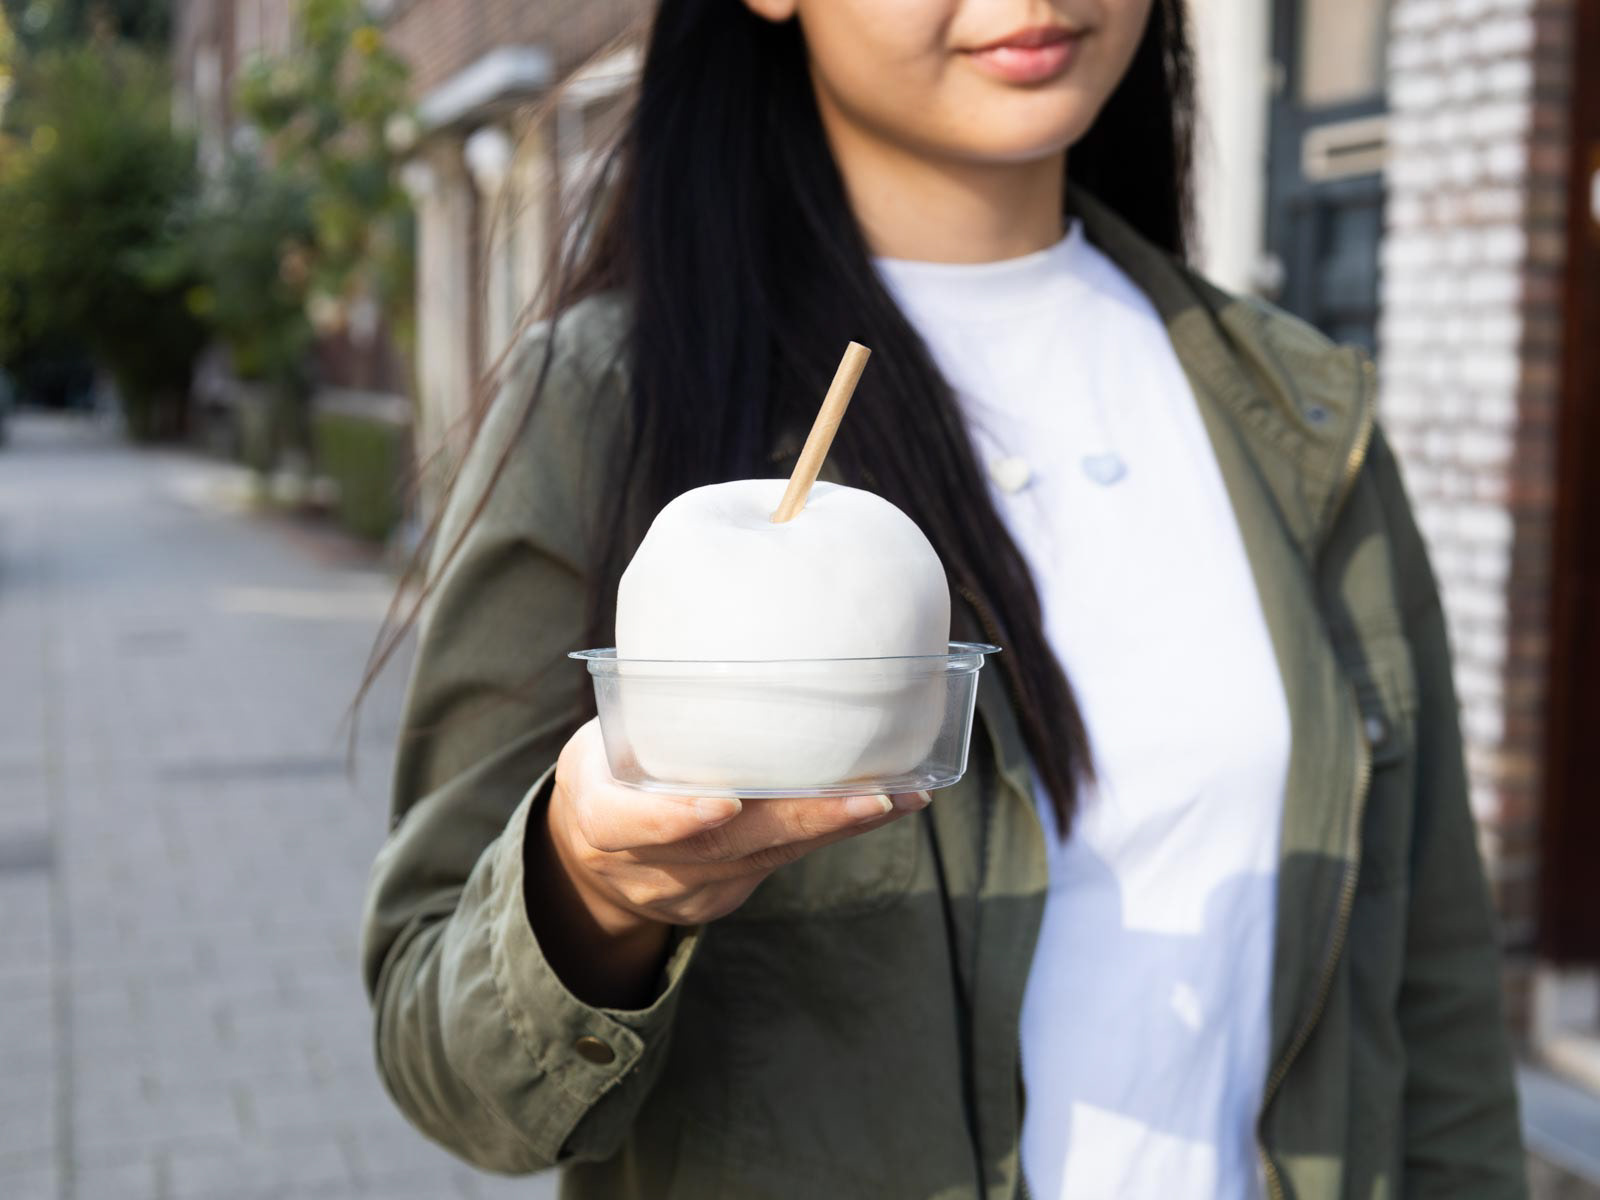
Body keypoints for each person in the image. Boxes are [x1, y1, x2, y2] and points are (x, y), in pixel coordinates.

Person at [360, 2, 1527, 1196]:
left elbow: (1433, 1007)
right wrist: (595, 895)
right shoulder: (612, 404)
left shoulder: (1298, 416)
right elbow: (441, 1056)